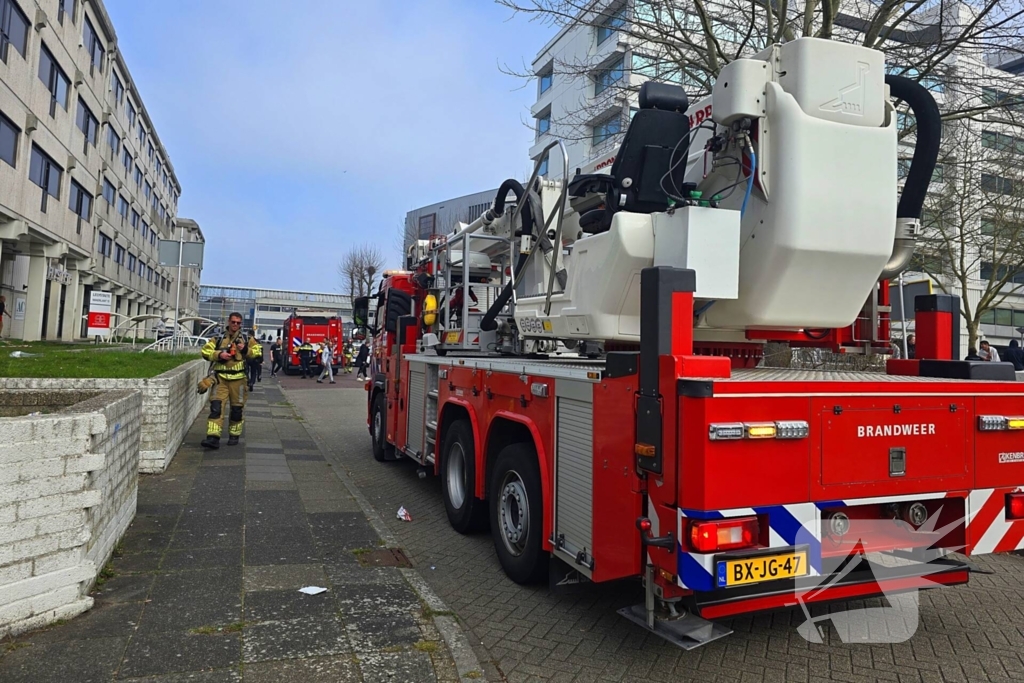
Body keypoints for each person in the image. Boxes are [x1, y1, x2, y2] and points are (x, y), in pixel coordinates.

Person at [200, 312, 259, 449]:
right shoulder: (218, 338)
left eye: (238, 323)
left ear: (241, 323)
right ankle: (213, 438)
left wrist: (245, 349)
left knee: (237, 410)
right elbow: (205, 352)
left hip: (239, 380)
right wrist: (219, 354)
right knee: (216, 407)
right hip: (220, 379)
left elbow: (258, 352)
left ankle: (234, 434)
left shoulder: (247, 338)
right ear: (229, 322)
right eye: (233, 322)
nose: (235, 325)